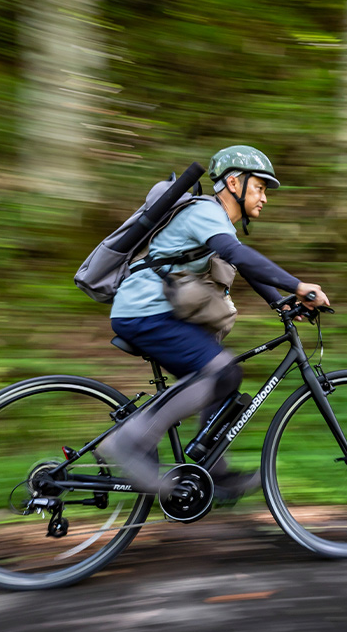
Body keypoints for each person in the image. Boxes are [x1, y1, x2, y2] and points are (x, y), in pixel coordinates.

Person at [98, 145, 330, 501]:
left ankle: (213, 471)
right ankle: (127, 442)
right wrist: (298, 286)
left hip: (158, 313)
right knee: (220, 370)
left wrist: (282, 303)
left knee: (226, 379)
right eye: (260, 187)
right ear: (234, 182)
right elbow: (239, 255)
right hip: (144, 312)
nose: (264, 198)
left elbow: (242, 265)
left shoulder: (217, 222)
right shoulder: (205, 211)